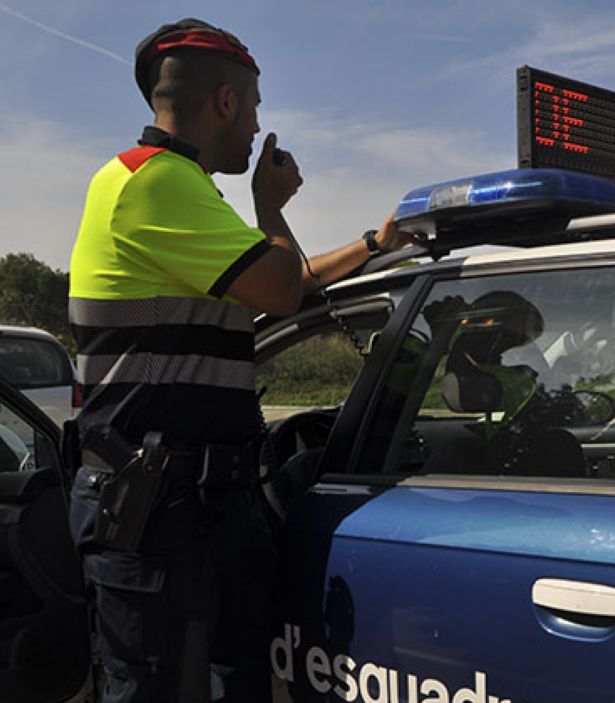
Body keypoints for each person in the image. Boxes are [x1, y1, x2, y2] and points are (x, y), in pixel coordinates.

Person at [65, 18, 415, 702]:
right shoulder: (149, 183)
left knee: (240, 685)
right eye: (254, 106)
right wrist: (269, 204)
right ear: (226, 101)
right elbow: (282, 287)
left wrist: (373, 246)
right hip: (156, 510)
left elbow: (278, 282)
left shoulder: (181, 189)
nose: (257, 126)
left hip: (206, 501)